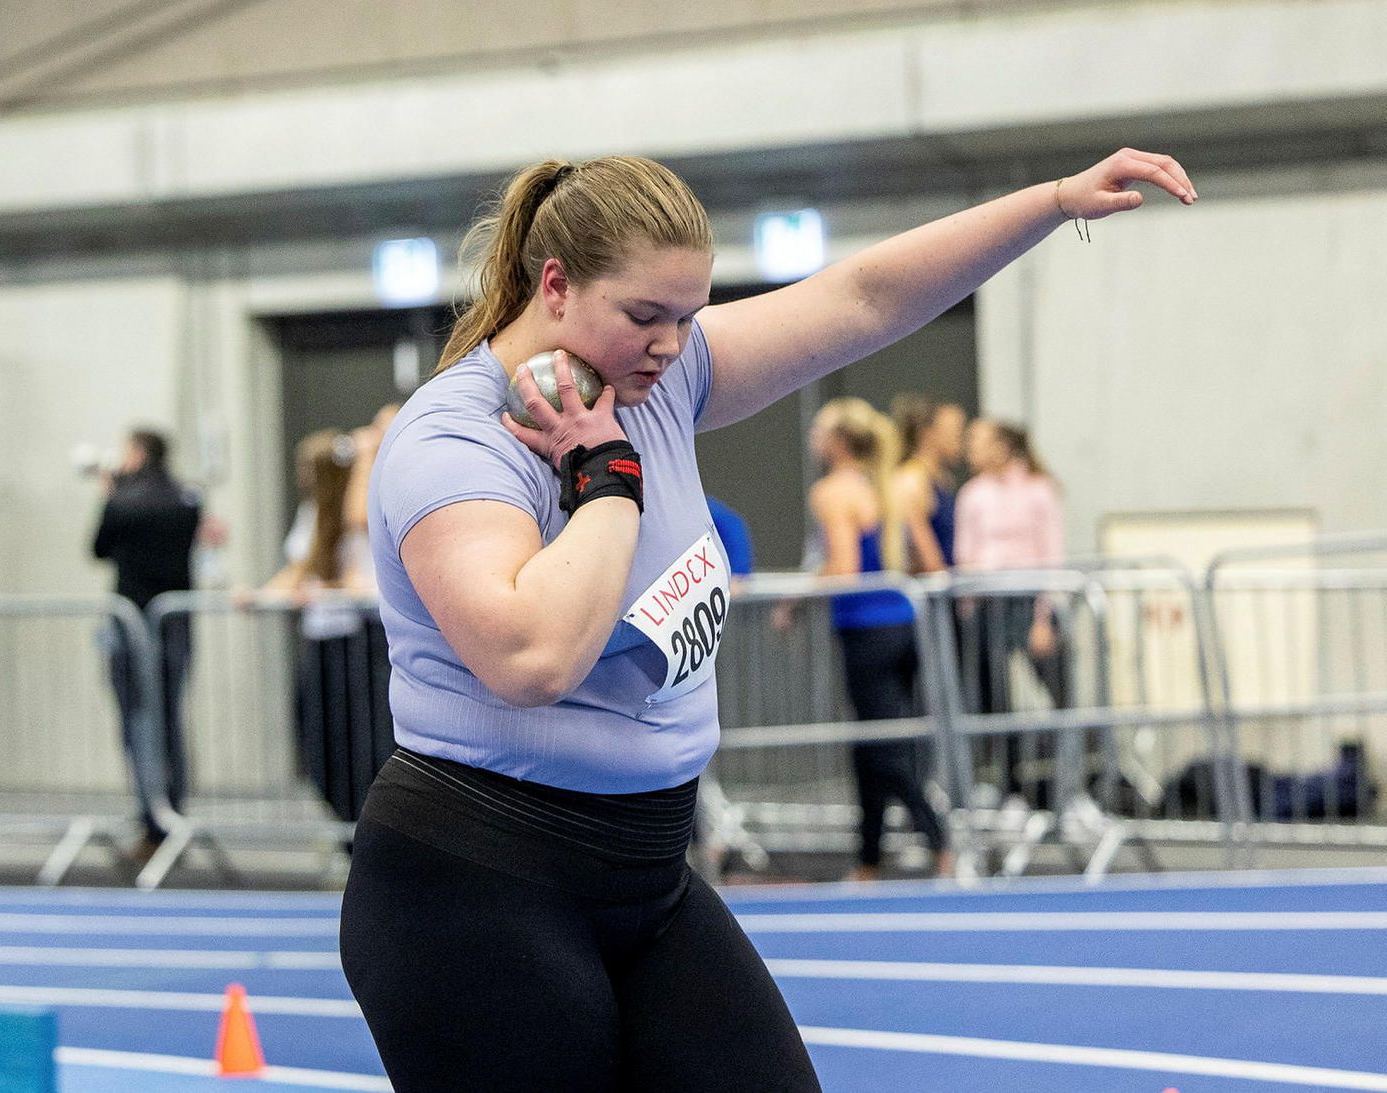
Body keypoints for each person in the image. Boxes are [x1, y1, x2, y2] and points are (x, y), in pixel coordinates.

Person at [341, 150, 1195, 1090]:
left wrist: (1050, 199)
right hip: (474, 882)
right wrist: (608, 478)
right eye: (644, 316)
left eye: (687, 315)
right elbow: (532, 655)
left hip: (649, 872)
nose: (672, 345)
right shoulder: (453, 442)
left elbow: (862, 298)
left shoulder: (656, 378)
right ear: (555, 285)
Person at [807, 397, 951, 882]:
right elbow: (923, 560)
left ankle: (942, 843)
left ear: (838, 443)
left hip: (867, 629)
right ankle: (868, 859)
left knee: (884, 748)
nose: (813, 438)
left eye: (820, 430)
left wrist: (798, 594)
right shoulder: (890, 486)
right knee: (872, 746)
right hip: (901, 625)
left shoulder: (833, 492)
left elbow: (845, 568)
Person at [258, 418, 393, 824]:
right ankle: (346, 825)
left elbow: (353, 524)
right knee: (318, 736)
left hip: (359, 639)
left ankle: (364, 827)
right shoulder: (314, 513)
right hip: (323, 639)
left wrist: (367, 453)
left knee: (366, 744)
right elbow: (303, 566)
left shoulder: (362, 504)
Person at [91, 428, 204, 851]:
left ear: (137, 454)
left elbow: (98, 547)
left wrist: (112, 495)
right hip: (175, 622)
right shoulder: (185, 498)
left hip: (132, 621)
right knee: (170, 716)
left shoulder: (123, 502)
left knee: (137, 718)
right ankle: (172, 808)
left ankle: (150, 815)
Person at [954, 417, 1068, 803]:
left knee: (1061, 693)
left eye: (979, 441)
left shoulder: (1038, 490)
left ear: (1003, 446)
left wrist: (1042, 617)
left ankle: (1072, 789)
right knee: (994, 700)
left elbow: (1050, 554)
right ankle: (1011, 788)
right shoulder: (973, 494)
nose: (970, 448)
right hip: (987, 603)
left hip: (1028, 599)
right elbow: (964, 551)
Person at [891, 393, 966, 574]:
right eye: (955, 433)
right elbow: (925, 556)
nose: (961, 440)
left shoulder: (943, 478)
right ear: (927, 433)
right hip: (930, 592)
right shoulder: (912, 479)